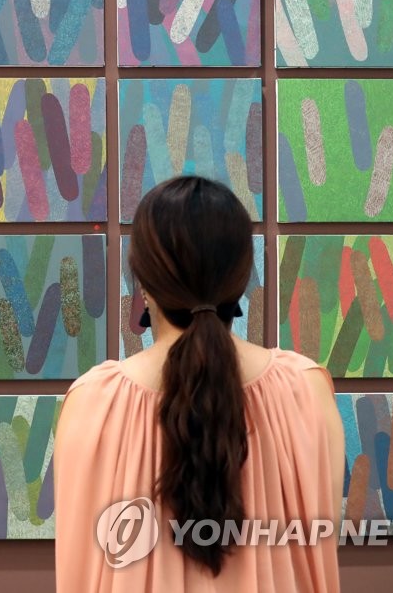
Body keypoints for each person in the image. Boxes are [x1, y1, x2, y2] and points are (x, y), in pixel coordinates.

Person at [54, 176, 344, 592]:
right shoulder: (306, 390)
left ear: (144, 285)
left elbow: (78, 571)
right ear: (239, 280)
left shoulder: (92, 403)